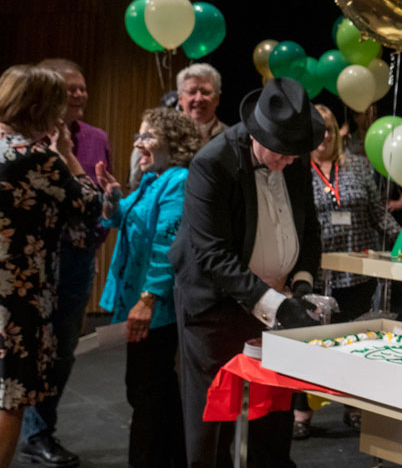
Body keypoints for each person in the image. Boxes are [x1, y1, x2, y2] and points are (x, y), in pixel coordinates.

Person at [169, 77, 326, 468]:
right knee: (212, 417)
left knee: (274, 410)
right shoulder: (213, 162)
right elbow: (213, 253)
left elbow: (309, 227)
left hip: (276, 302)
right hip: (215, 306)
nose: (291, 161)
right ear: (258, 134)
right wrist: (275, 304)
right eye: (283, 153)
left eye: (295, 154)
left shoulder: (293, 154)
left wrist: (302, 286)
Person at [0, 65, 101, 468]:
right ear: (40, 106)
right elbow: (88, 206)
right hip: (18, 295)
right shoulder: (34, 156)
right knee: (11, 396)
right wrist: (69, 156)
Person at [97, 108, 200, 468]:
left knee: (146, 390)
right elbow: (122, 215)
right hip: (136, 298)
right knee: (152, 388)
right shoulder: (152, 178)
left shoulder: (179, 180)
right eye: (139, 135)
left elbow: (166, 243)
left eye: (147, 136)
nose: (138, 142)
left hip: (156, 305)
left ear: (172, 143)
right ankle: (178, 456)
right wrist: (111, 198)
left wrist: (148, 297)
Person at [292, 104, 399, 439]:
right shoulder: (296, 170)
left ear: (336, 131)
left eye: (327, 128)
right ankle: (301, 412)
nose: (322, 136)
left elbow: (378, 212)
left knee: (354, 344)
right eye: (315, 129)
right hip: (313, 275)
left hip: (356, 277)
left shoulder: (356, 166)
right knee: (308, 345)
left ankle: (354, 406)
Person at [130, 63, 226, 188]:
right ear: (180, 98)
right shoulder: (155, 135)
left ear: (217, 99)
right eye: (192, 92)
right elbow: (136, 180)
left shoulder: (230, 138)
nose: (198, 98)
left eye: (205, 92)